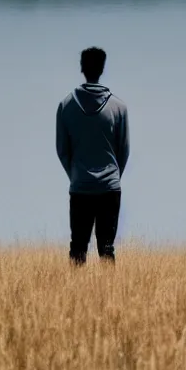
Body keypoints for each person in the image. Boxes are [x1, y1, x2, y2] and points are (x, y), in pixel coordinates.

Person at [56, 47, 129, 265]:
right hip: (109, 188)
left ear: (82, 68)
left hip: (80, 187)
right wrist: (112, 174)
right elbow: (123, 151)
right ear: (103, 68)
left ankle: (74, 298)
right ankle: (111, 297)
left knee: (77, 248)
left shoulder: (66, 106)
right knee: (107, 248)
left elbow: (62, 150)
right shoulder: (119, 107)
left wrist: (76, 174)